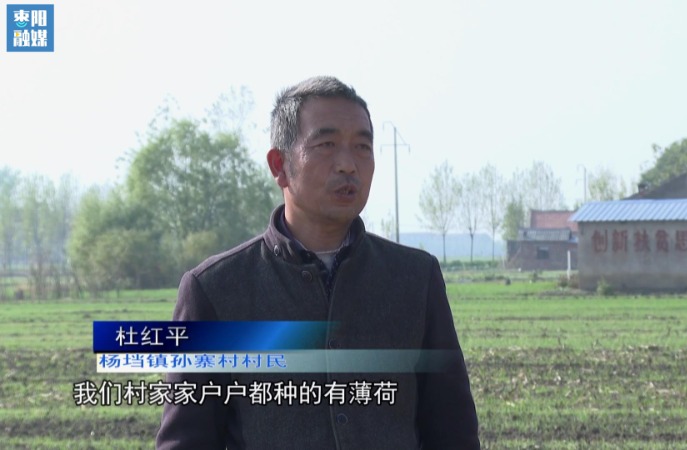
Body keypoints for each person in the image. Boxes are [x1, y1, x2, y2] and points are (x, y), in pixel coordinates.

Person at [156, 76, 480, 449]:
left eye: (362, 146)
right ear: (279, 165)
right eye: (326, 145)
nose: (348, 165)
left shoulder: (414, 278)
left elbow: (453, 431)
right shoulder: (216, 289)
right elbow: (186, 441)